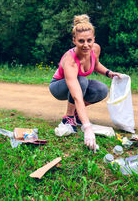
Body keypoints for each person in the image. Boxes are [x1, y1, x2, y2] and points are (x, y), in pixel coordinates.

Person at [49, 14, 121, 152]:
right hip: (58, 86)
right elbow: (77, 96)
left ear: (94, 39)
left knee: (101, 89)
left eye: (89, 40)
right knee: (81, 81)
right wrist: (87, 128)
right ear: (74, 40)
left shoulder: (95, 49)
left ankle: (77, 115)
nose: (86, 45)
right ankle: (69, 118)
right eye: (81, 41)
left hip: (79, 83)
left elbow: (96, 65)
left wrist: (109, 73)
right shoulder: (70, 60)